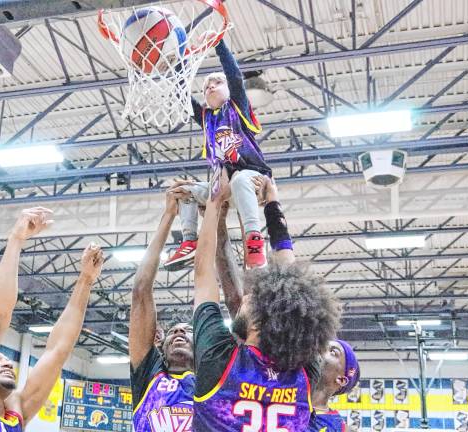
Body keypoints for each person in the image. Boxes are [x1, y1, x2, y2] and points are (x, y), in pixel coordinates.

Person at [192, 172, 342, 431]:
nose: (245, 298)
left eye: (251, 298)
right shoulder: (303, 374)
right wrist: (270, 205)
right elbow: (293, 287)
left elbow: (204, 273)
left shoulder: (220, 360)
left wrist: (216, 203)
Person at [0, 207, 104, 432]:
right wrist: (16, 240)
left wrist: (85, 280)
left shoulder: (16, 415)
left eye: (5, 360)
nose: (7, 363)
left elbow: (58, 351)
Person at [130, 183, 243, 431]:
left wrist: (219, 222)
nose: (179, 333)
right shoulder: (148, 375)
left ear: (202, 341)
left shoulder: (217, 375)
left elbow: (236, 302)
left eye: (187, 330)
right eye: (173, 332)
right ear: (160, 344)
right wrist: (169, 215)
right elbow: (140, 292)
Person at [163, 37, 272, 271]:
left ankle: (254, 240)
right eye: (206, 87)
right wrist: (175, 69)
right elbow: (183, 95)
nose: (210, 87)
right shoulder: (206, 118)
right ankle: (189, 241)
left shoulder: (237, 107)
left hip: (255, 180)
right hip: (223, 188)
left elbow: (234, 78)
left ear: (228, 90)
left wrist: (218, 43)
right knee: (184, 192)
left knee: (240, 178)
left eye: (216, 84)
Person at [307, 340, 361, 432]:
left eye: (333, 352)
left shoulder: (340, 429)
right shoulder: (283, 391)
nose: (319, 349)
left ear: (341, 380)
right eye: (321, 344)